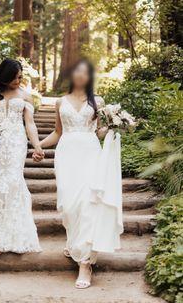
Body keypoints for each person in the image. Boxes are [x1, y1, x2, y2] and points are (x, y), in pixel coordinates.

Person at [33, 59, 123, 289]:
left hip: (91, 153)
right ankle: (74, 240)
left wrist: (114, 123)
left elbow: (100, 131)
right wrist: (39, 146)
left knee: (87, 203)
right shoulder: (61, 101)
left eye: (85, 71)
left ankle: (85, 263)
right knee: (69, 204)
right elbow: (57, 132)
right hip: (66, 156)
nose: (80, 75)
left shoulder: (97, 101)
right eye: (77, 71)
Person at [0, 58, 44, 256]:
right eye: (13, 77)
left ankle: (15, 236)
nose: (17, 80)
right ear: (4, 77)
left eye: (20, 77)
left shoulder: (26, 95)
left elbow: (29, 124)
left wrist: (37, 146)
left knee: (13, 182)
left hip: (16, 143)